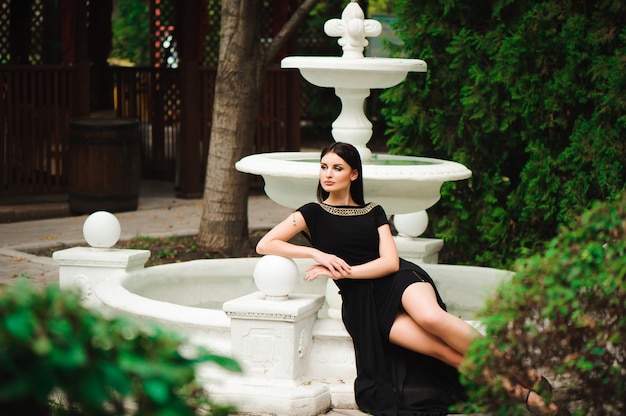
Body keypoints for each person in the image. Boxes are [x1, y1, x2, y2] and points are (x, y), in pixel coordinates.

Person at [256, 142, 568, 416]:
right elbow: (266, 243)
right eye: (324, 167)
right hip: (364, 303)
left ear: (353, 174)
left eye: (337, 168)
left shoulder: (373, 211)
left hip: (400, 280)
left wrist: (346, 270)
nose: (328, 174)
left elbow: (390, 263)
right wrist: (316, 255)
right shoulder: (311, 213)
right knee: (441, 351)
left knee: (432, 317)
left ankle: (523, 373)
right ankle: (524, 397)